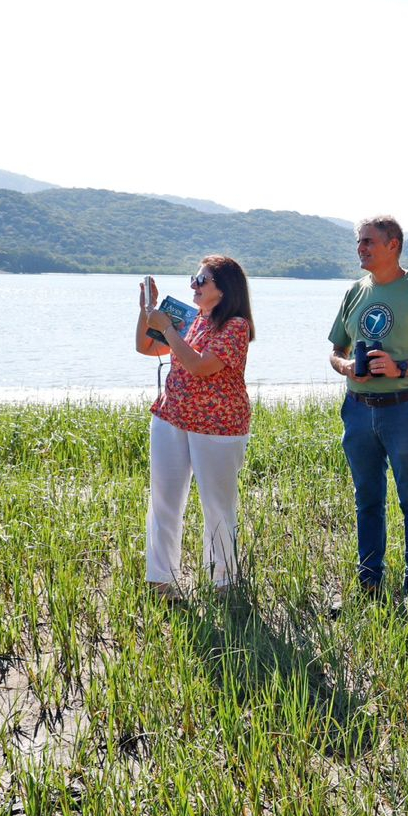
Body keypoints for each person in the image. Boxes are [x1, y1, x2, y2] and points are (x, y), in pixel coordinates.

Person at [327, 215, 408, 599]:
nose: (361, 249)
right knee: (366, 498)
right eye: (359, 242)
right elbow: (336, 350)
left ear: (393, 245)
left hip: (406, 409)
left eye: (369, 241)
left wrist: (401, 366)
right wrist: (347, 366)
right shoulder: (355, 291)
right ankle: (369, 583)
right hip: (357, 408)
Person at [135, 255, 255, 595]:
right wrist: (147, 311)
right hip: (172, 416)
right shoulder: (192, 318)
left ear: (224, 289)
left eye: (201, 281)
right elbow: (145, 346)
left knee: (217, 506)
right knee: (163, 500)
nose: (193, 286)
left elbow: (201, 366)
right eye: (194, 278)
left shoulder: (235, 326)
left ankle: (224, 581)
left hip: (218, 426)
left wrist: (169, 328)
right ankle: (161, 581)